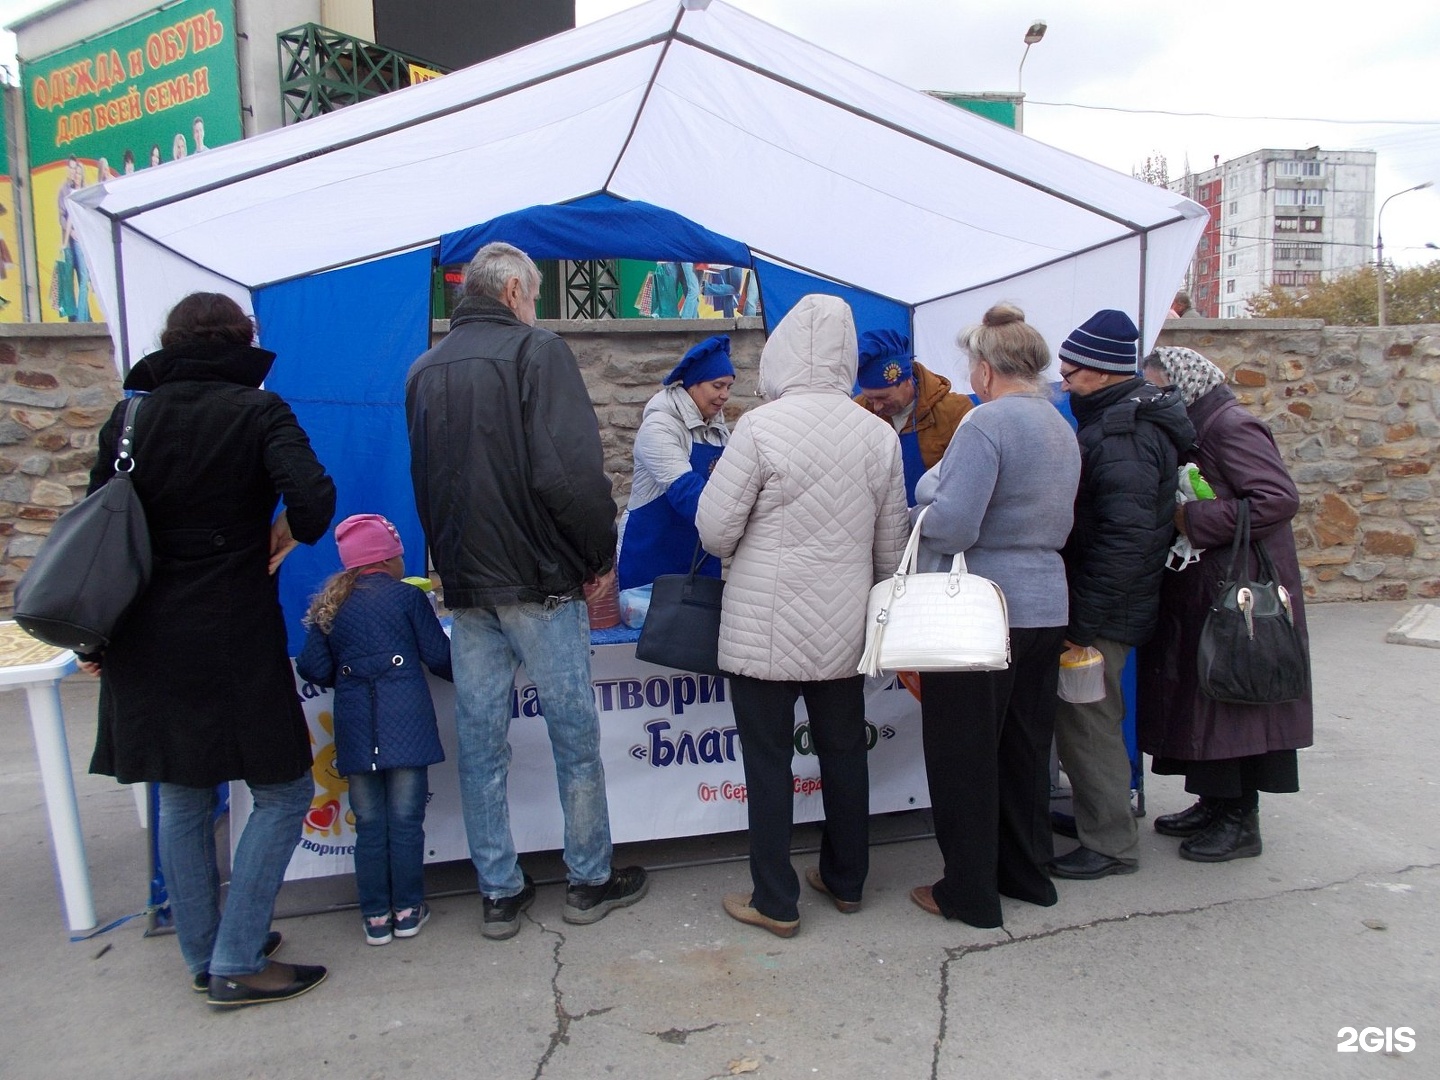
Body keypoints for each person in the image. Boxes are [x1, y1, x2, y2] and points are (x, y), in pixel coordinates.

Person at [82, 292, 336, 1008]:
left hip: (144, 631)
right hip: (231, 629)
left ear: (171, 343)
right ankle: (236, 954)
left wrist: (98, 635)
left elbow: (96, 532)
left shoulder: (129, 418)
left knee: (184, 794)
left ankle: (208, 952)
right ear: (239, 343)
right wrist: (285, 531)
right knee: (285, 792)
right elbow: (315, 499)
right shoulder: (258, 412)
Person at [405, 241, 647, 940]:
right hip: (539, 583)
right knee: (574, 738)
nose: (535, 305)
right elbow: (569, 474)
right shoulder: (536, 352)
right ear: (512, 289)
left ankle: (499, 892)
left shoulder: (424, 370)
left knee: (482, 746)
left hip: (470, 587)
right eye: (534, 294)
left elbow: (426, 485)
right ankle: (588, 879)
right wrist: (597, 553)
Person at [696, 293, 908, 938]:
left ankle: (776, 900)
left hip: (763, 624)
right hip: (843, 625)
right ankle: (847, 881)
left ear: (783, 352)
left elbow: (713, 528)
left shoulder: (760, 427)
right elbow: (891, 548)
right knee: (845, 752)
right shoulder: (878, 434)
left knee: (767, 763)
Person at [908, 303, 1080, 928]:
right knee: (1026, 749)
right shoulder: (1059, 423)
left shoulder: (986, 424)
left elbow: (952, 522)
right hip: (1045, 602)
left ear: (984, 370)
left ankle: (969, 891)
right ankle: (1026, 873)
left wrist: (927, 488)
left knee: (963, 752)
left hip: (983, 608)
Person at [1137, 347, 1312, 860]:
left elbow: (1278, 498)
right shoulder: (1201, 422)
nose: (1154, 396)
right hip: (1215, 581)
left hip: (1242, 587)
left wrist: (1193, 520)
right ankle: (1216, 799)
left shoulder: (1230, 425)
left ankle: (1241, 818)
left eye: (1158, 386)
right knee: (1209, 695)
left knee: (1235, 696)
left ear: (1182, 384)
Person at [1051, 309, 1194, 881]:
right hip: (1109, 602)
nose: (1065, 381)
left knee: (1089, 720)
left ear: (1105, 373)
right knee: (1084, 718)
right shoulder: (1115, 423)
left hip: (1105, 610)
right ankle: (1098, 818)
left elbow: (1125, 543)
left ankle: (1110, 844)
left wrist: (1081, 621)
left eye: (1073, 372)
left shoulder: (1124, 436)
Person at [296, 514, 453, 944]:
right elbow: (439, 656)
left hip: (356, 727)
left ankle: (375, 919)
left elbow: (312, 666)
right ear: (387, 558)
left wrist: (347, 677)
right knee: (404, 821)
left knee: (369, 823)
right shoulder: (407, 599)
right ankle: (407, 909)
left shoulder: (332, 603)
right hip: (407, 725)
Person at [617, 334, 733, 591]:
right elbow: (686, 491)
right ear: (693, 385)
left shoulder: (718, 430)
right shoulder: (659, 426)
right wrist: (734, 526)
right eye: (717, 386)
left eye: (728, 387)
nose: (725, 395)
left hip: (700, 558)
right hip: (651, 556)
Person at [852, 329, 972, 505]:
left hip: (932, 523)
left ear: (907, 380)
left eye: (883, 397)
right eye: (870, 398)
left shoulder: (954, 411)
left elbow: (967, 480)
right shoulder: (859, 410)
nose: (876, 406)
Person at [56, 156, 91, 322]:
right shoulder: (65, 191)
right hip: (73, 241)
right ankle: (79, 318)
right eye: (71, 169)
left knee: (84, 277)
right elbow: (65, 217)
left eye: (76, 170)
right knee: (75, 279)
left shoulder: (84, 192)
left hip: (83, 239)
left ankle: (84, 317)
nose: (74, 173)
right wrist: (69, 236)